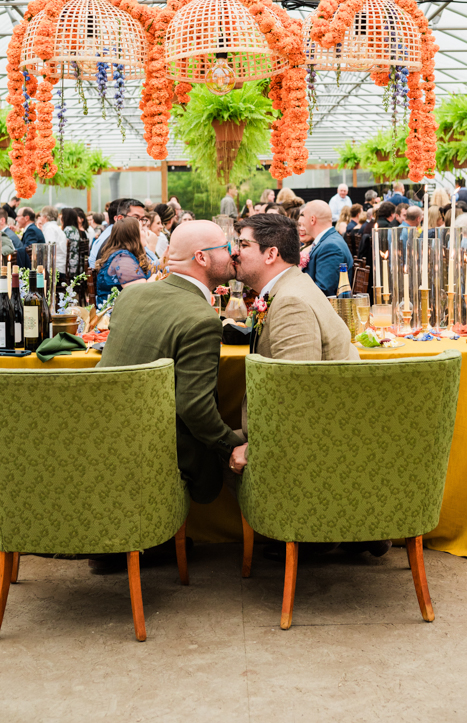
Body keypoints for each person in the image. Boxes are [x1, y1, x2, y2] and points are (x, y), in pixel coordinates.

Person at [98, 220, 245, 504]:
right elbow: (194, 408)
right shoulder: (201, 320)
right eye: (227, 247)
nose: (233, 254)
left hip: (104, 438)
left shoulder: (132, 293)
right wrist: (235, 447)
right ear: (201, 258)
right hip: (157, 455)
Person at [228, 213, 359, 472]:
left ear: (271, 254)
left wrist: (255, 450)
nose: (234, 252)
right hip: (306, 429)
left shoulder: (291, 303)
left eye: (243, 245)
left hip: (312, 447)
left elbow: (299, 395)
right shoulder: (291, 286)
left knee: (202, 459)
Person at [298, 200, 354, 295]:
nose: (303, 221)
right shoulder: (327, 240)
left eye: (304, 216)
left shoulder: (330, 247)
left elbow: (323, 290)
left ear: (312, 220)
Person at [94, 217, 150, 305]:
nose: (146, 232)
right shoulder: (122, 258)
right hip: (115, 314)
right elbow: (139, 291)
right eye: (142, 229)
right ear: (133, 236)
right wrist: (155, 279)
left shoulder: (123, 255)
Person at [88, 198, 145, 268]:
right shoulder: (117, 244)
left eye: (143, 219)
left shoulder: (112, 235)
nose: (141, 223)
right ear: (119, 218)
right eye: (136, 218)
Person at [60, 206, 89, 293]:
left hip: (70, 267)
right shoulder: (75, 229)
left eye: (61, 215)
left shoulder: (68, 230)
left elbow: (62, 247)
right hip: (76, 266)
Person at [40, 205, 68, 280]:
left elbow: (50, 249)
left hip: (56, 269)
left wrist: (45, 271)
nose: (40, 219)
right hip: (60, 266)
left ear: (45, 217)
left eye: (41, 216)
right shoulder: (56, 228)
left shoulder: (49, 229)